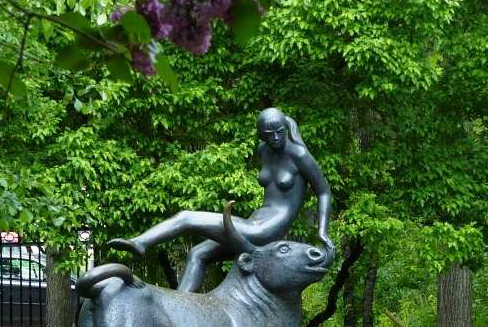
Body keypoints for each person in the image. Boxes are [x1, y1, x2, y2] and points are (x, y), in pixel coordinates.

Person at [110, 107, 333, 292]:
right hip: (254, 221)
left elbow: (323, 191)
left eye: (279, 132)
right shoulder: (264, 150)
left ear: (286, 128)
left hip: (267, 230)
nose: (275, 138)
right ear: (261, 135)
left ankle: (141, 243)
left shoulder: (299, 155)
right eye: (268, 134)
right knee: (198, 254)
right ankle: (181, 308)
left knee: (187, 218)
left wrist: (322, 231)